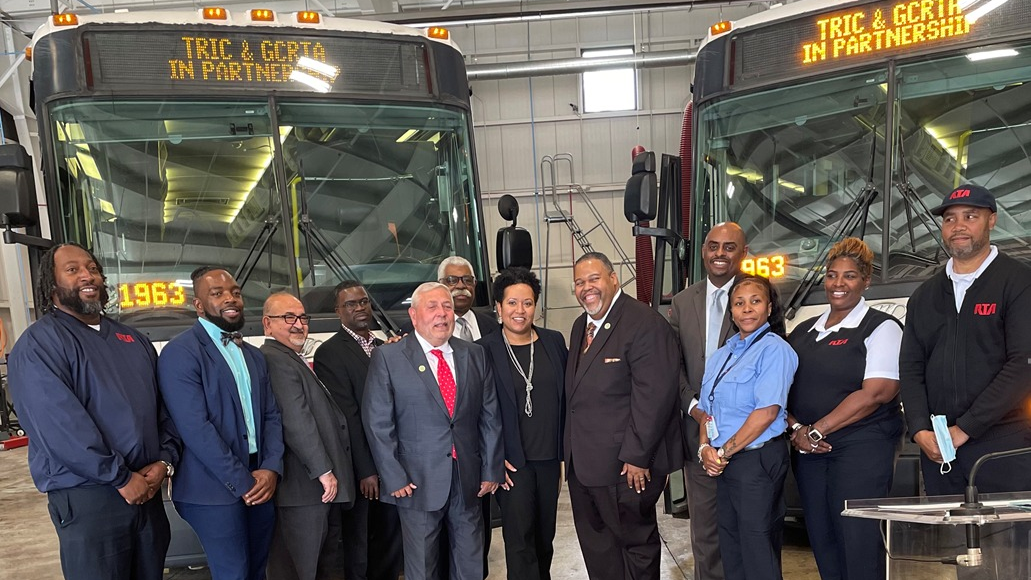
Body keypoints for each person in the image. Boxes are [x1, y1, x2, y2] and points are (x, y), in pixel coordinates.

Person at [7, 243, 180, 580]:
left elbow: (165, 410)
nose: (87, 276)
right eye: (72, 270)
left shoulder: (132, 339)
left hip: (147, 492)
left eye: (93, 269)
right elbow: (60, 427)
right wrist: (118, 476)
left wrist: (164, 460)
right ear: (51, 284)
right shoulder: (39, 345)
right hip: (89, 498)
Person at [362, 282, 504, 580]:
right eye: (433, 307)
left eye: (448, 307)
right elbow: (378, 422)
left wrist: (491, 468)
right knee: (423, 566)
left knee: (471, 561)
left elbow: (490, 416)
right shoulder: (389, 358)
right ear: (414, 316)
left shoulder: (474, 354)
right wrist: (393, 475)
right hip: (415, 481)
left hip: (467, 478)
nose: (442, 314)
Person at [901, 184, 1031, 494]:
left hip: (1004, 444)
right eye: (949, 219)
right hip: (939, 450)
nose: (958, 227)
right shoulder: (924, 296)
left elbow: (1023, 363)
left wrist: (966, 428)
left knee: (1007, 542)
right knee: (949, 541)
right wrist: (919, 428)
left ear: (992, 220)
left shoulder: (1018, 282)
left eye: (970, 216)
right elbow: (910, 367)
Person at [785, 238, 903, 580]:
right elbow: (779, 391)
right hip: (808, 452)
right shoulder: (804, 331)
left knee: (858, 541)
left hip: (860, 449)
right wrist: (797, 431)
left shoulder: (881, 327)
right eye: (832, 275)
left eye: (849, 276)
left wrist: (816, 430)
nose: (839, 284)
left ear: (866, 281)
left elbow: (877, 392)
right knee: (822, 540)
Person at [157, 266, 284, 580]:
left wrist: (271, 468)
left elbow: (271, 415)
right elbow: (195, 428)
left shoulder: (253, 356)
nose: (231, 299)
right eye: (217, 294)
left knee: (257, 570)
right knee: (234, 574)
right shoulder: (181, 353)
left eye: (236, 293)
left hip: (261, 479)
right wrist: (244, 482)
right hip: (211, 489)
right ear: (199, 305)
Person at [565, 252, 683, 580]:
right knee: (599, 549)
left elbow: (655, 397)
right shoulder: (579, 327)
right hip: (585, 468)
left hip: (627, 467)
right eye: (579, 282)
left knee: (635, 546)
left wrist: (637, 456)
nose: (586, 288)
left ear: (613, 279)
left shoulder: (644, 323)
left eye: (594, 279)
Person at [697, 275, 797, 580]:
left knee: (757, 549)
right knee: (731, 546)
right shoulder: (721, 355)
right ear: (731, 312)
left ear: (769, 308)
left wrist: (723, 453)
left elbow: (766, 412)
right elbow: (705, 410)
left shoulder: (774, 350)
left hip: (756, 461)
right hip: (725, 463)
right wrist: (704, 448)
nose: (747, 309)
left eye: (755, 301)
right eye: (739, 303)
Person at [476, 268, 567, 580]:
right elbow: (473, 411)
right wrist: (492, 456)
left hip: (549, 459)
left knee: (545, 539)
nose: (520, 311)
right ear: (498, 308)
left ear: (536, 306)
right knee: (519, 542)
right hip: (511, 462)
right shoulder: (482, 349)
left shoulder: (554, 342)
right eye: (512, 303)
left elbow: (567, 399)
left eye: (527, 303)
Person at [669, 222, 748, 580]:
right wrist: (695, 409)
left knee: (748, 528)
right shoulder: (683, 302)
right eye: (713, 246)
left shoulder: (756, 297)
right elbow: (674, 365)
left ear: (743, 253)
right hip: (696, 432)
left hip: (748, 435)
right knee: (705, 533)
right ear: (703, 251)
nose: (720, 253)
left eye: (729, 247)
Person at [260, 292, 355, 580]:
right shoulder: (275, 359)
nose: (298, 324)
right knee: (301, 569)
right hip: (303, 490)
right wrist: (323, 470)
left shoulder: (291, 358)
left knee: (323, 565)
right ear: (267, 324)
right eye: (288, 317)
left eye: (302, 317)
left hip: (315, 491)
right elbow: (297, 420)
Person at [314, 281, 403, 580]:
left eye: (363, 302)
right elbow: (348, 415)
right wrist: (366, 470)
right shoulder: (330, 352)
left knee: (391, 538)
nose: (359, 308)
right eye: (350, 304)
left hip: (394, 464)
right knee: (361, 543)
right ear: (338, 311)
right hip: (362, 469)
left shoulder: (384, 348)